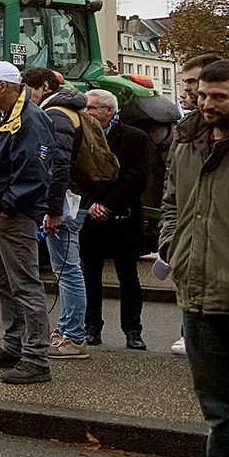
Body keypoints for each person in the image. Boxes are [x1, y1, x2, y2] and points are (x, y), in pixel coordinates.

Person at [161, 59, 229, 457]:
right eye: (201, 94)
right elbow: (172, 202)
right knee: (221, 407)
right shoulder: (187, 141)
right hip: (197, 292)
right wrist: (172, 247)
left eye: (218, 96)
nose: (205, 102)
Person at [0, 61, 56, 385]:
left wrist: (6, 207)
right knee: (3, 283)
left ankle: (36, 357)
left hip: (12, 214)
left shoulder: (30, 119)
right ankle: (15, 344)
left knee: (25, 285)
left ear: (3, 86)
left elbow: (35, 171)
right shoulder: (4, 116)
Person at [23, 67, 93, 360]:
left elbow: (58, 164)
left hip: (67, 202)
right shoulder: (68, 109)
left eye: (28, 88)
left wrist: (53, 210)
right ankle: (68, 329)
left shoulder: (56, 113)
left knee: (67, 269)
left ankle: (74, 336)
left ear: (43, 86)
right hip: (73, 198)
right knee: (68, 267)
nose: (25, 94)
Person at [81, 89, 150, 349]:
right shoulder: (81, 137)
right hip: (91, 216)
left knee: (128, 277)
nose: (86, 113)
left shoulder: (135, 138)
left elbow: (137, 178)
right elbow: (75, 175)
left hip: (124, 217)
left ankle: (133, 331)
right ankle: (91, 327)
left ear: (110, 110)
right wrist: (90, 205)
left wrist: (107, 205)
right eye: (85, 109)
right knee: (90, 275)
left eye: (92, 108)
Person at [168, 53, 221, 355]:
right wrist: (170, 241)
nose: (188, 91)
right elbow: (170, 192)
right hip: (189, 247)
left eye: (194, 83)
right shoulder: (186, 134)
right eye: (188, 84)